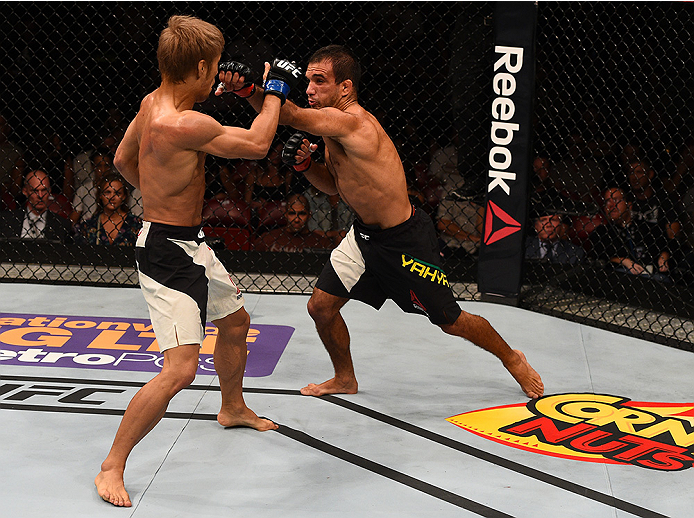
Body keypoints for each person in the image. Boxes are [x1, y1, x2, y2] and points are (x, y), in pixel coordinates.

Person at [221, 44, 543, 400]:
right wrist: (305, 166)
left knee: (450, 320)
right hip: (364, 236)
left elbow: (288, 115)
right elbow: (334, 185)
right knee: (321, 307)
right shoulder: (331, 129)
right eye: (308, 80)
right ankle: (345, 378)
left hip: (405, 241)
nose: (310, 88)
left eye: (319, 81)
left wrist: (251, 89)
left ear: (345, 87)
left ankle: (513, 359)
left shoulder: (353, 122)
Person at [94, 15, 301, 507]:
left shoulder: (152, 104)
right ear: (203, 68)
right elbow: (256, 145)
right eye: (214, 71)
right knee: (181, 370)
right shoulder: (185, 122)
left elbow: (123, 161)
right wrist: (273, 91)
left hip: (189, 240)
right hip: (167, 252)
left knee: (235, 322)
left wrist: (162, 189)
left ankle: (231, 406)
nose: (218, 78)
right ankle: (111, 465)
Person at [590, 187, 671, 281]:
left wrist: (664, 255)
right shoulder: (601, 232)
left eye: (616, 200)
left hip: (651, 276)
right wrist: (622, 261)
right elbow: (598, 257)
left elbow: (667, 245)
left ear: (629, 205)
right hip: (618, 276)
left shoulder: (647, 228)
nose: (611, 205)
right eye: (607, 201)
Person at [0, 169, 72, 242]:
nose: (40, 195)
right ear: (25, 191)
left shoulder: (62, 225)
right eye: (35, 191)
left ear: (49, 191)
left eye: (44, 190)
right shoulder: (5, 220)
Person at [253, 193, 334, 252]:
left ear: (309, 215)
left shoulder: (322, 244)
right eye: (292, 213)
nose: (296, 219)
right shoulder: (267, 239)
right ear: (285, 214)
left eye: (302, 213)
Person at [75, 173, 141, 246]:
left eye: (117, 193)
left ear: (124, 196)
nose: (112, 197)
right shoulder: (89, 225)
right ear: (100, 195)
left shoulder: (136, 224)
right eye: (107, 192)